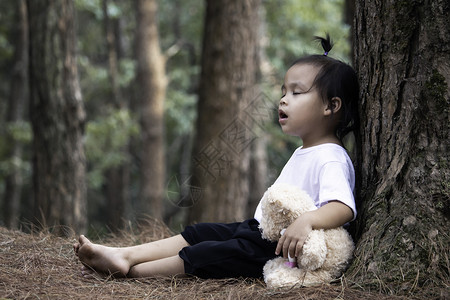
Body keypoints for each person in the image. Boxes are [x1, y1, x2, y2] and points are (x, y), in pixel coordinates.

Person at [73, 35, 359, 280]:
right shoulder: (305, 150)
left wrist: (306, 221)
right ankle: (125, 255)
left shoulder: (331, 156)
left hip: (281, 246)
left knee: (210, 253)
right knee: (202, 232)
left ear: (331, 106)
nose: (283, 100)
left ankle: (131, 272)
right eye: (284, 91)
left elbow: (342, 207)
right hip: (259, 231)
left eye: (297, 92)